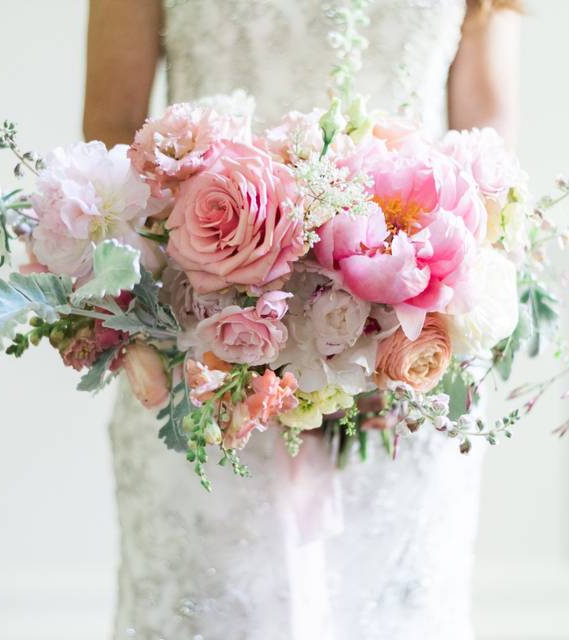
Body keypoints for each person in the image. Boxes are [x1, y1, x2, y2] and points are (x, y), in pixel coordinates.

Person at [84, 1, 521, 638]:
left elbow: (493, 171)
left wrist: (400, 333)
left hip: (406, 375)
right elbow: (112, 137)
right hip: (202, 364)